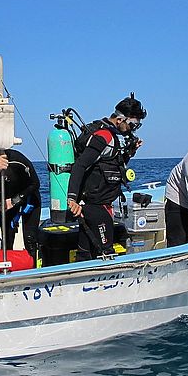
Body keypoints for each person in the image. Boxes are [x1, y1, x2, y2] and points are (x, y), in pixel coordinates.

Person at [66, 94, 146, 261]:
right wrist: (71, 198)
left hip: (99, 205)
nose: (133, 129)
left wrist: (130, 152)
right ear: (120, 119)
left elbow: (111, 165)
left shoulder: (111, 136)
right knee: (105, 252)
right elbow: (80, 165)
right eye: (132, 124)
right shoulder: (104, 136)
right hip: (96, 208)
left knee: (86, 253)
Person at [0, 147, 42, 261]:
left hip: (28, 196)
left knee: (30, 239)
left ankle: (33, 267)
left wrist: (14, 201)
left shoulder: (17, 160)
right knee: (6, 239)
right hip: (6, 197)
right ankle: (8, 267)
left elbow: (35, 184)